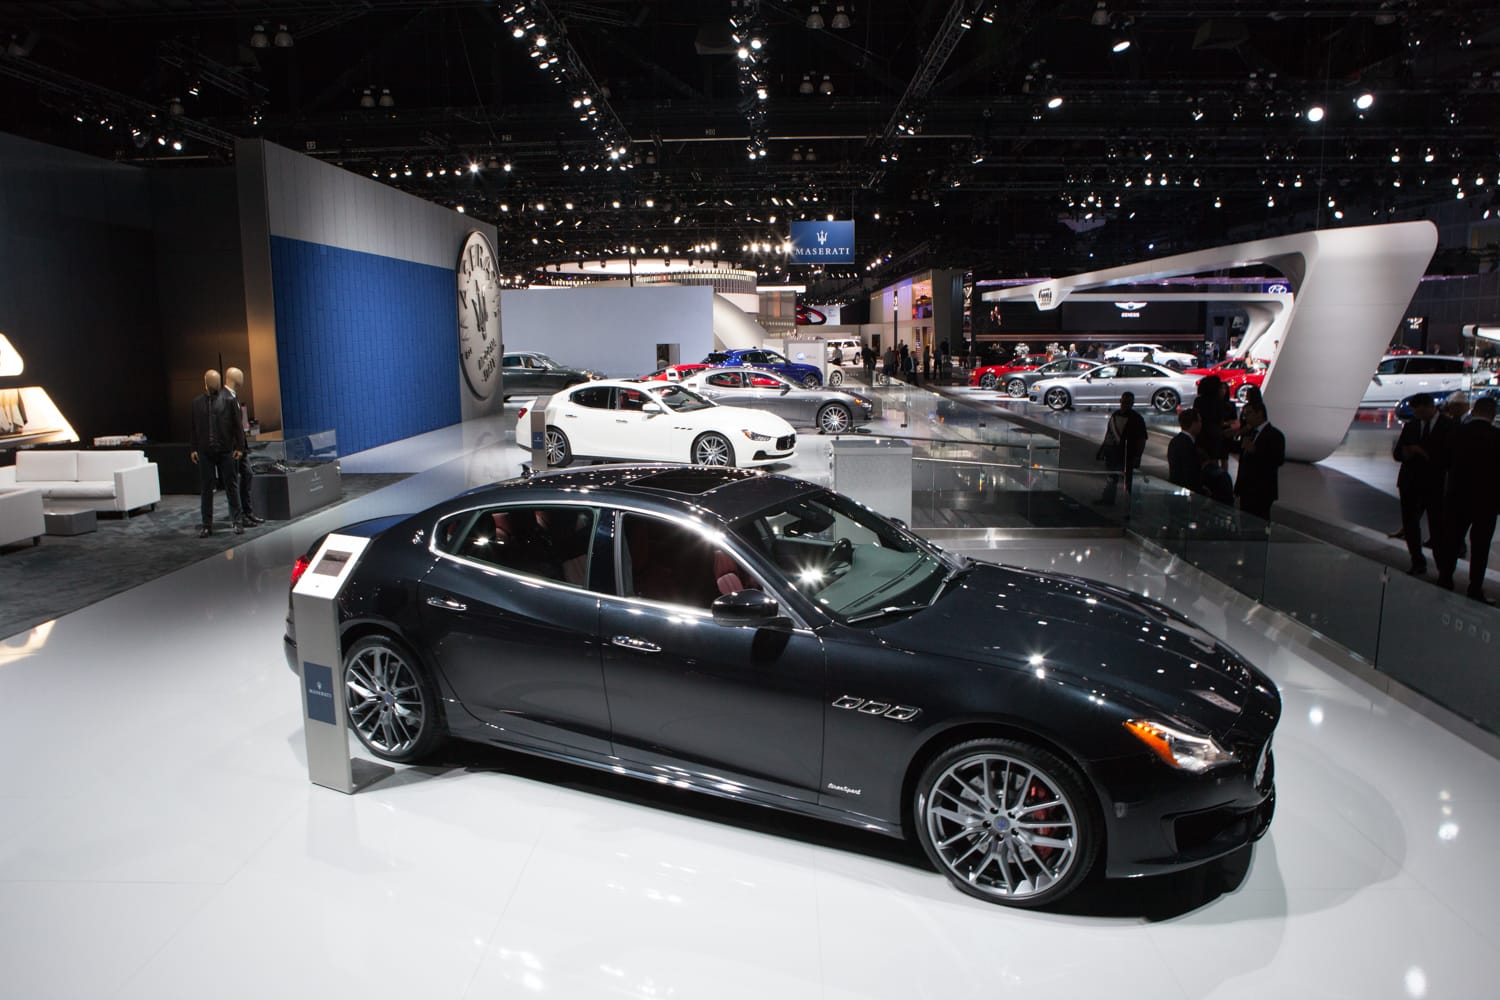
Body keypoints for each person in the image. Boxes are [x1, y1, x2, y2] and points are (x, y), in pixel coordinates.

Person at [1436, 395, 1500, 601]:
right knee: (1481, 546)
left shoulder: (1457, 433)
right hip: (1487, 502)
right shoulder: (1497, 437)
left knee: (1452, 540)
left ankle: (1445, 579)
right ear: (1493, 414)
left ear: (1474, 410)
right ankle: (1475, 588)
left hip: (1457, 497)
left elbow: (1443, 462)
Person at [1393, 393, 1456, 577]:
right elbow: (1398, 453)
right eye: (1415, 412)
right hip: (1410, 483)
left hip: (1435, 485)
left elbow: (1451, 457)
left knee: (1437, 527)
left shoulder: (1449, 426)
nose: (1417, 415)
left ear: (1430, 407)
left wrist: (1426, 454)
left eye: (1420, 412)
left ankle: (1443, 569)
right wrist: (1409, 452)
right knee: (1410, 525)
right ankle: (1417, 562)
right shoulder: (1411, 426)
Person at [189, 369, 246, 538]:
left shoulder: (228, 401)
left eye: (217, 381)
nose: (214, 385)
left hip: (226, 450)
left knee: (231, 486)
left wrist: (240, 448)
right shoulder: (196, 403)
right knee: (206, 489)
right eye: (212, 381)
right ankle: (207, 524)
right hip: (205, 452)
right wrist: (193, 448)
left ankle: (237, 521)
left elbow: (238, 427)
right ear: (205, 382)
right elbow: (193, 428)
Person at [1231, 397, 1286, 521]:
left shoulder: (1275, 435)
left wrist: (1256, 451)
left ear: (1259, 413)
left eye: (1248, 414)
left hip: (1262, 490)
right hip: (1246, 489)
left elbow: (1278, 459)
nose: (1246, 418)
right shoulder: (1250, 434)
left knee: (1259, 523)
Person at [222, 367, 264, 526]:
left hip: (241, 447)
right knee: (234, 483)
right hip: (233, 449)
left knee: (247, 476)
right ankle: (239, 516)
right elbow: (226, 426)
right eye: (241, 376)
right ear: (233, 377)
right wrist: (235, 447)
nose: (243, 379)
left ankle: (248, 512)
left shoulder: (233, 396)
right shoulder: (224, 398)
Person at [1098, 391, 1147, 506]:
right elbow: (1109, 433)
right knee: (1111, 477)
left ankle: (1132, 506)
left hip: (1127, 454)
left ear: (1132, 403)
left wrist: (1138, 456)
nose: (1125, 404)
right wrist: (1103, 448)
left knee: (1129, 481)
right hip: (1112, 452)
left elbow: (1142, 439)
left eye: (1128, 402)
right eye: (1124, 401)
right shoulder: (1115, 415)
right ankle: (1108, 499)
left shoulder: (1137, 419)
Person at [1168, 409, 1205, 493]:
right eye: (1199, 421)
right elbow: (1189, 473)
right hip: (1185, 492)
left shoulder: (1175, 441)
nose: (1201, 424)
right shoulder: (1187, 445)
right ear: (1193, 423)